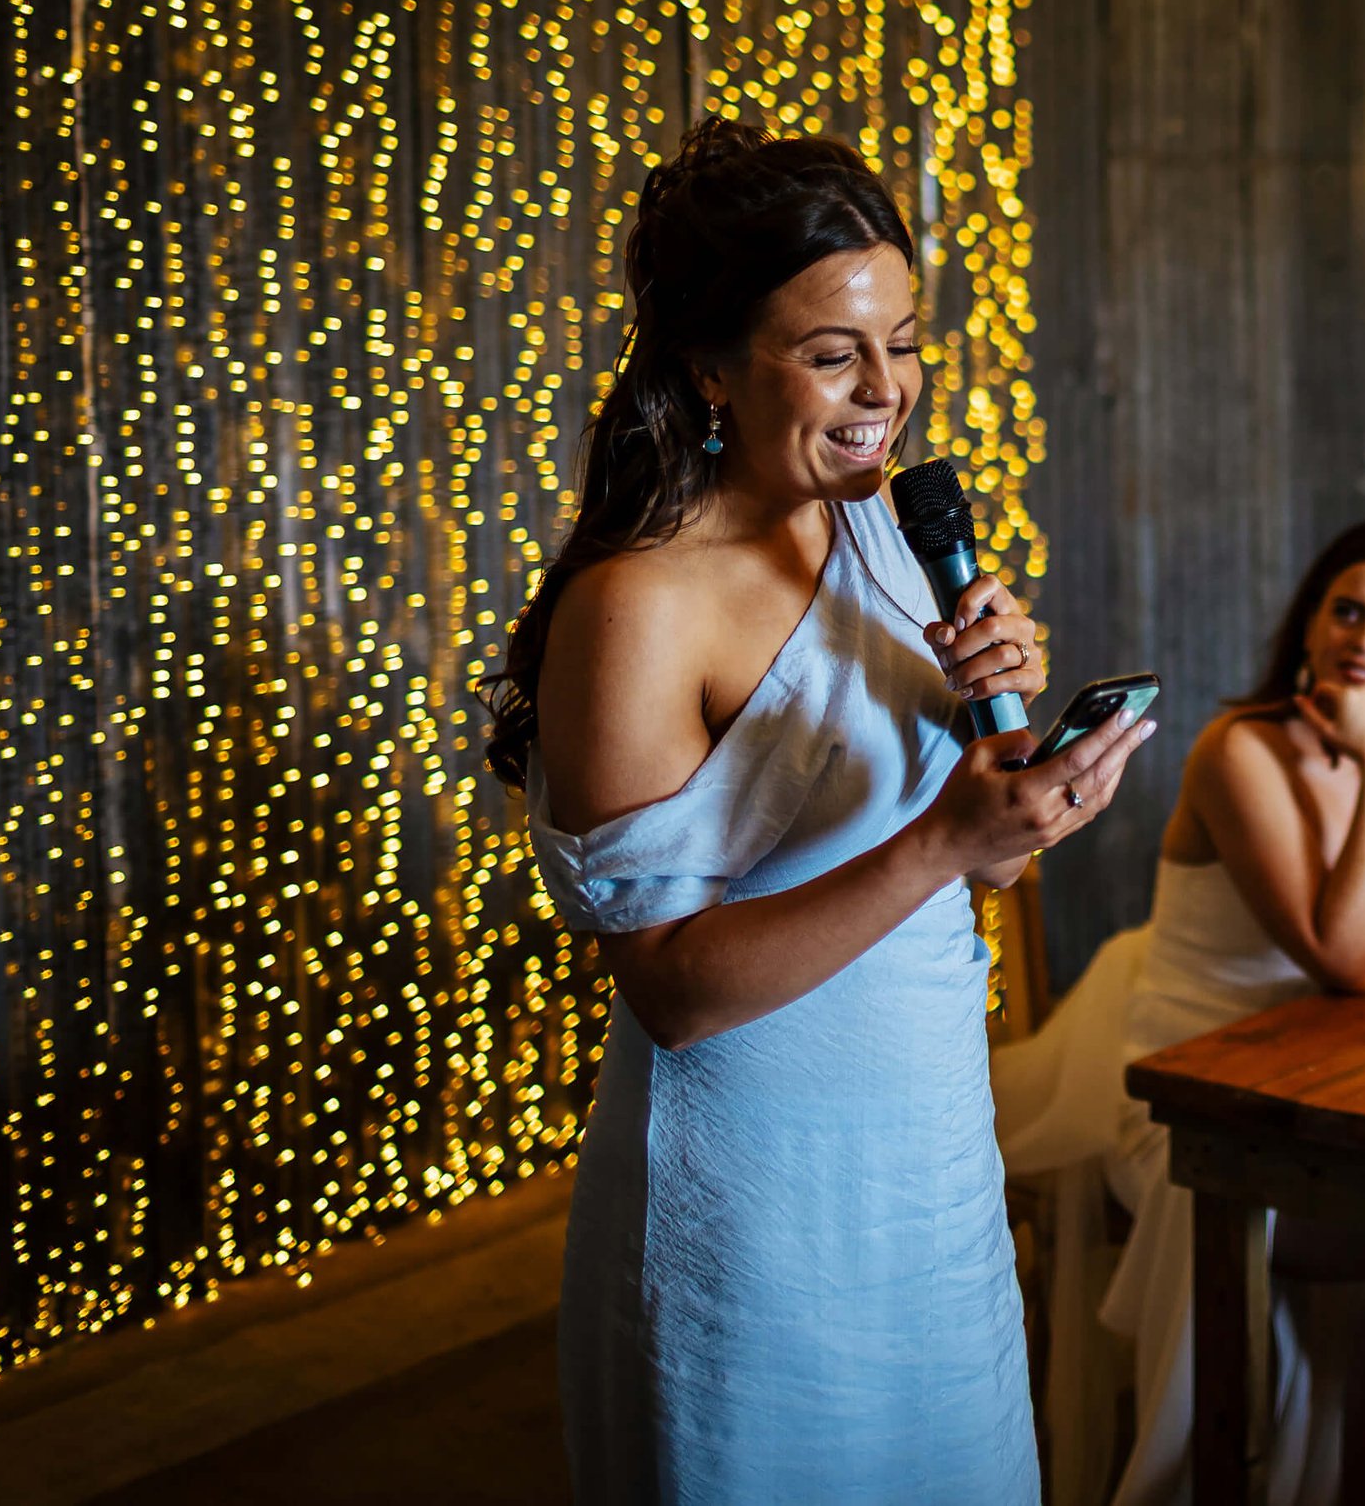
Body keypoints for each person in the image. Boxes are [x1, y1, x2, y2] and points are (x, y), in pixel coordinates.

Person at [479, 117, 1152, 1504]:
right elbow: (672, 992)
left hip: (927, 1158)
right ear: (707, 366)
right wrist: (943, 838)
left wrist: (1018, 781)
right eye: (834, 351)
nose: (886, 389)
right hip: (753, 1191)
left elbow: (984, 875)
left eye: (903, 342)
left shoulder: (888, 534)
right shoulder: (637, 606)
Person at [995, 520, 1365, 1506]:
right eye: (1348, 610)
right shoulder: (1241, 748)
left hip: (1324, 1081)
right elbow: (1344, 957)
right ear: (1310, 620)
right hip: (1193, 1110)